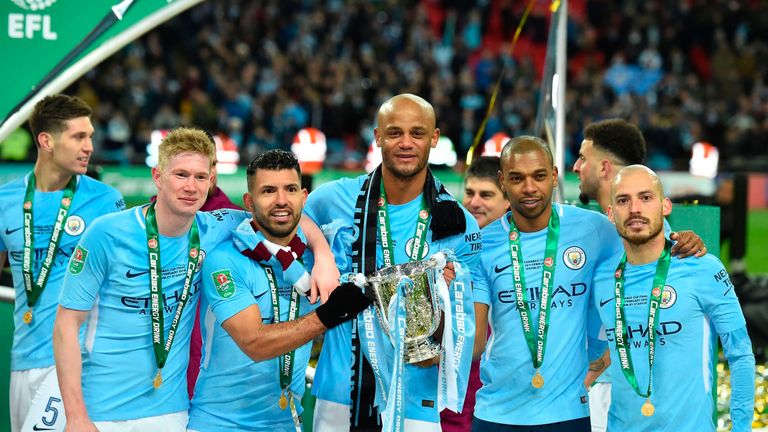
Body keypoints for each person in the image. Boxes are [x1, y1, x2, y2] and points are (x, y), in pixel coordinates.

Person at [52, 127, 336, 431]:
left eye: (200, 177)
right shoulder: (106, 233)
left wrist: (324, 257)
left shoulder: (219, 227)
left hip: (171, 413)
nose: (191, 186)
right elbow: (66, 324)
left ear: (211, 181)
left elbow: (285, 214)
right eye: (181, 175)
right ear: (158, 177)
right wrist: (76, 415)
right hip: (100, 409)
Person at [305, 93, 481, 431]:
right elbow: (289, 216)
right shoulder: (334, 199)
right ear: (377, 137)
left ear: (434, 138)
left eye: (417, 133)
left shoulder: (458, 223)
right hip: (341, 393)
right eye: (395, 132)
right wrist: (322, 253)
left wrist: (441, 330)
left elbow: (465, 321)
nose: (405, 143)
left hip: (417, 399)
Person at [188, 149, 370, 431]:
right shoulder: (226, 259)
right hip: (219, 424)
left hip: (288, 422)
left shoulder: (315, 261)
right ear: (249, 202)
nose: (281, 200)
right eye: (269, 191)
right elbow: (254, 344)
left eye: (290, 189)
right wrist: (326, 316)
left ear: (304, 197)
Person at [472, 136, 618, 432]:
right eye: (517, 178)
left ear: (553, 175)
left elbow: (647, 252)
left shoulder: (595, 229)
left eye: (539, 176)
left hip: (566, 414)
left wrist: (681, 241)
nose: (529, 188)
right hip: (496, 413)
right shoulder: (482, 244)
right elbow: (474, 340)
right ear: (503, 181)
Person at [592, 165, 754, 431]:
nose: (635, 209)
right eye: (623, 200)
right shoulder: (601, 277)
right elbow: (592, 350)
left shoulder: (703, 268)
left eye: (645, 198)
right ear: (610, 213)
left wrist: (741, 428)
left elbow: (740, 354)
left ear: (665, 206)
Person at [0, 94, 125, 432]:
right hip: (24, 359)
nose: (89, 146)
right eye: (78, 136)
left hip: (80, 362)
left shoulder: (105, 200)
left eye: (91, 136)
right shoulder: (5, 202)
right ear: (46, 141)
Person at [572, 118, 706, 432]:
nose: (576, 166)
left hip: (633, 394)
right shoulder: (584, 230)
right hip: (593, 390)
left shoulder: (662, 244)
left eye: (582, 157)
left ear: (604, 167)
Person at [441, 156, 509, 431]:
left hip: (497, 405)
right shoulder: (446, 253)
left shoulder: (519, 257)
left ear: (507, 201)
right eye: (469, 193)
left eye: (486, 194)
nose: (475, 202)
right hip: (450, 407)